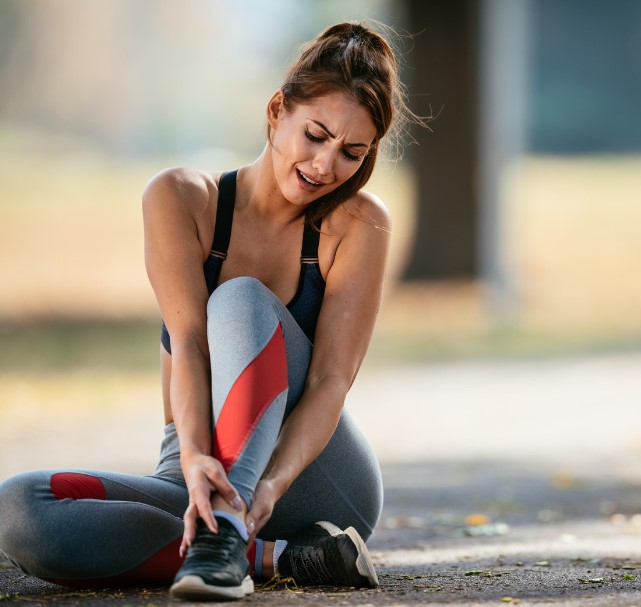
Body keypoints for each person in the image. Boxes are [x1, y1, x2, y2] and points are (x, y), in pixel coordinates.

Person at [0, 21, 416, 601]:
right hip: (194, 463)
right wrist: (196, 459)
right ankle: (270, 555)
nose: (325, 166)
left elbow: (330, 381)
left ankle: (223, 535)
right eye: (315, 135)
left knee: (241, 297)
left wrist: (267, 485)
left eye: (352, 152)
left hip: (312, 478)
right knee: (20, 510)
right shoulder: (181, 199)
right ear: (277, 111)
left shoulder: (358, 224)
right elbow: (190, 342)